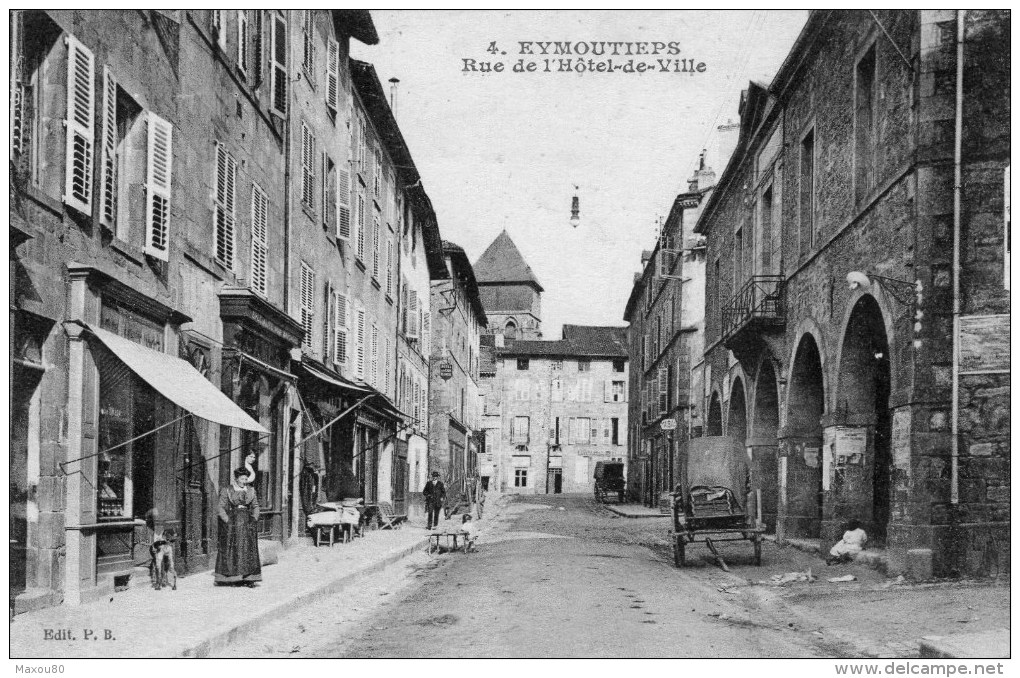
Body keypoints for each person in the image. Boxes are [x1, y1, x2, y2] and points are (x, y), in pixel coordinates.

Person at [215, 467, 262, 586]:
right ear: (236, 479)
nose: (244, 481)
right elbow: (220, 507)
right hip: (233, 524)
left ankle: (249, 578)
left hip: (247, 523)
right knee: (233, 551)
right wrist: (227, 520)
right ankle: (233, 578)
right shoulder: (228, 490)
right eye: (242, 479)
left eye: (246, 479)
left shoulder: (251, 490)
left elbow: (256, 506)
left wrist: (255, 518)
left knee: (248, 550)